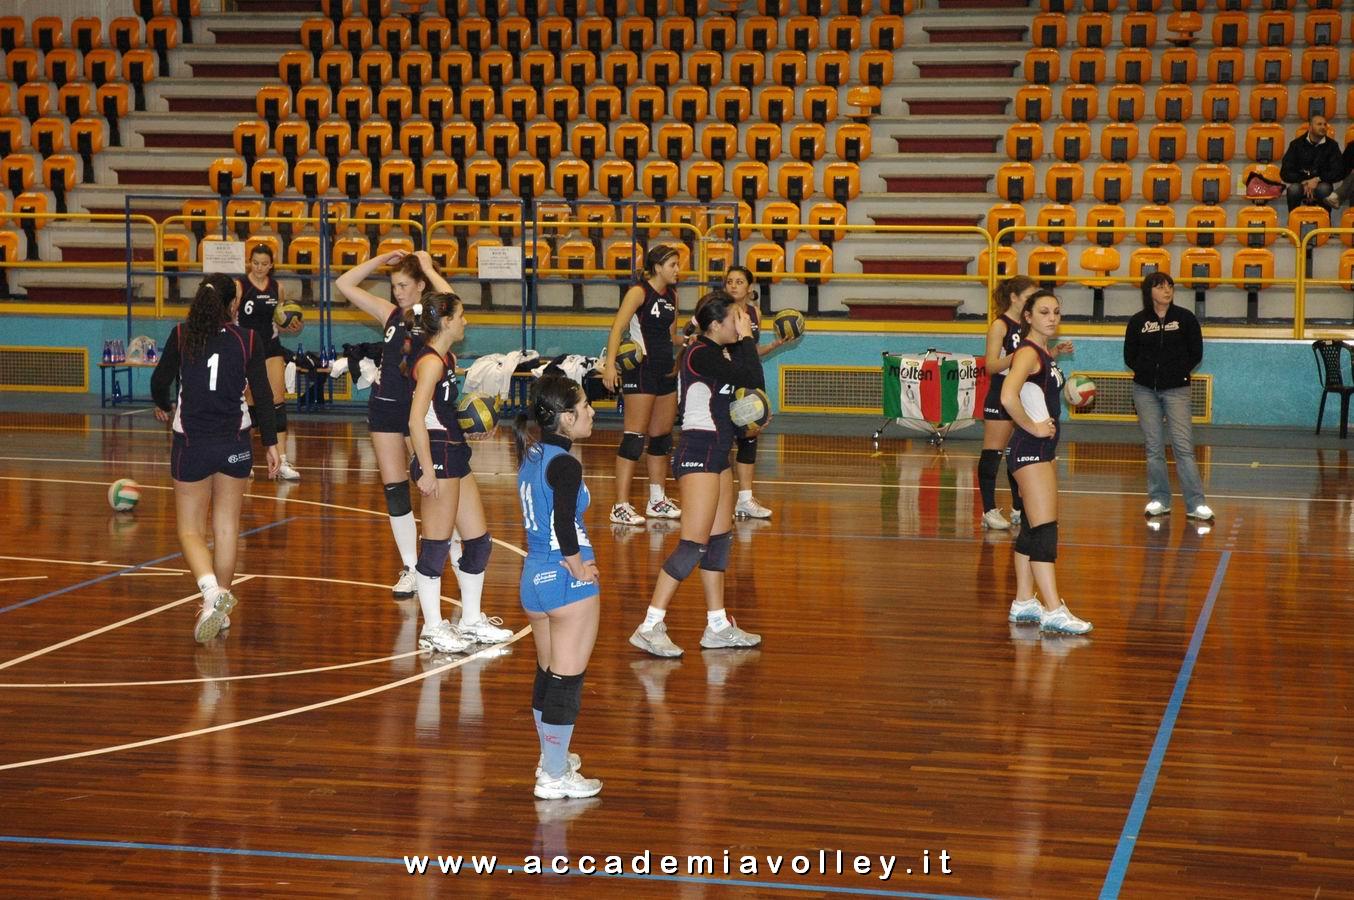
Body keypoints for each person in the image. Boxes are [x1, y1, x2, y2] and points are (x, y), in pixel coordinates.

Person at [630, 291, 765, 658]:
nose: (743, 322)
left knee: (719, 541)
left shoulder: (719, 353)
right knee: (693, 544)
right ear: (716, 324)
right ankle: (650, 625)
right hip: (698, 452)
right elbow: (753, 375)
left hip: (719, 452)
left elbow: (749, 387)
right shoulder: (700, 353)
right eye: (737, 318)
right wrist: (750, 337)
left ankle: (718, 626)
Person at [150, 274, 281, 643]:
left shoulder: (181, 334)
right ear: (232, 305)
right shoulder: (248, 339)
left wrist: (163, 404)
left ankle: (211, 593)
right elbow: (263, 394)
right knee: (226, 526)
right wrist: (271, 442)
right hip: (234, 441)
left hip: (192, 442)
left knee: (190, 529)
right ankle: (217, 608)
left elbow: (160, 381)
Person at [335, 250, 451, 599]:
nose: (398, 291)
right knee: (395, 488)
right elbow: (344, 283)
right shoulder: (390, 314)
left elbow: (452, 302)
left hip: (420, 408)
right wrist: (381, 258)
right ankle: (410, 566)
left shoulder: (431, 318)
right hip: (385, 407)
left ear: (420, 285)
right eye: (393, 285)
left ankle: (446, 551)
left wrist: (429, 268)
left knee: (432, 482)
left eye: (404, 285)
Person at [406, 292, 515, 651]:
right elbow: (416, 419)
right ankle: (432, 627)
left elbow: (441, 411)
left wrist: (469, 427)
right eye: (462, 315)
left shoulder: (446, 357)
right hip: (437, 455)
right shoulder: (431, 363)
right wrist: (424, 469)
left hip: (455, 451)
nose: (466, 321)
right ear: (447, 321)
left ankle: (470, 621)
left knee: (479, 542)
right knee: (436, 545)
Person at [515, 373, 603, 800]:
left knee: (549, 674)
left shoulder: (532, 453)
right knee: (568, 681)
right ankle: (553, 776)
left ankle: (550, 758)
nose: (592, 412)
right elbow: (563, 521)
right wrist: (578, 567)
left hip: (533, 579)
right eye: (584, 406)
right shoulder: (565, 463)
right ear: (566, 418)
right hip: (565, 583)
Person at [1000, 289, 1093, 636]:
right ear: (1027, 317)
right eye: (1044, 312)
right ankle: (1053, 609)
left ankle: (1025, 600)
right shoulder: (1026, 351)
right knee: (1044, 529)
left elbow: (1035, 389)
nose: (1052, 317)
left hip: (1040, 449)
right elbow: (1008, 395)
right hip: (1030, 448)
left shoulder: (1039, 353)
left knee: (1031, 524)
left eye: (1056, 311)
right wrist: (1033, 426)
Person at [598, 244, 683, 527]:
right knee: (634, 438)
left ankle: (656, 499)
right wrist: (610, 365)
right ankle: (620, 505)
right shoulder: (639, 292)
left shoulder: (672, 295)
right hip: (641, 370)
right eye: (672, 265)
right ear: (657, 267)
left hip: (664, 371)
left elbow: (672, 338)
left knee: (661, 438)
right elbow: (617, 328)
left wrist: (694, 338)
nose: (677, 270)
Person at [978, 276, 1073, 531]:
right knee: (994, 453)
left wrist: (1052, 354)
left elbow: (1034, 367)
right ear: (1014, 297)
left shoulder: (1028, 329)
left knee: (1018, 453)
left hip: (1025, 396)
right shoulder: (1000, 325)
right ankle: (988, 509)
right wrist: (1018, 357)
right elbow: (991, 366)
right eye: (1030, 296)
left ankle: (1019, 506)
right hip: (1002, 394)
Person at [1124, 272, 1213, 522]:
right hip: (1144, 391)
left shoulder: (1185, 318)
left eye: (1170, 286)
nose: (1167, 290)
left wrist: (1176, 372)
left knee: (1183, 447)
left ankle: (1196, 503)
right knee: (1154, 448)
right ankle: (1159, 499)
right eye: (1160, 286)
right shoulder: (1138, 321)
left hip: (1177, 390)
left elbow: (1196, 352)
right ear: (1149, 291)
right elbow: (1129, 355)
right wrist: (1147, 371)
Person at [723, 265, 799, 520]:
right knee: (722, 439)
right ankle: (718, 499)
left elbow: (751, 350)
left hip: (751, 379)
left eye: (739, 282)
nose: (734, 286)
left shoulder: (755, 312)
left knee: (749, 438)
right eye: (730, 281)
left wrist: (776, 344)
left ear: (749, 287)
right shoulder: (719, 312)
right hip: (726, 380)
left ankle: (745, 499)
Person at [235, 244, 301, 481]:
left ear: (271, 265)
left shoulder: (278, 288)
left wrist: (292, 325)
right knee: (250, 403)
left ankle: (281, 460)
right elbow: (232, 317)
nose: (260, 267)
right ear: (249, 262)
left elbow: (280, 321)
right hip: (246, 349)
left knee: (277, 401)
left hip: (271, 348)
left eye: (264, 264)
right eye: (255, 263)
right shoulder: (240, 286)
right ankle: (245, 458)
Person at [1279, 113, 1344, 212]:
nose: (1323, 127)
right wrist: (1303, 181)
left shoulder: (1332, 146)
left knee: (1324, 189)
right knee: (1293, 190)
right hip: (1301, 183)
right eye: (1319, 124)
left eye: (1325, 124)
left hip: (1322, 182)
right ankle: (1293, 221)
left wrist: (1318, 179)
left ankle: (1326, 222)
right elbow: (1285, 172)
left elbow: (1338, 171)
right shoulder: (1296, 145)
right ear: (1310, 127)